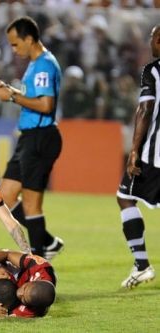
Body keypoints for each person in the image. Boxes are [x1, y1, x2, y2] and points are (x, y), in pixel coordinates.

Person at [0, 16, 63, 259]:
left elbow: (45, 104)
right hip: (29, 138)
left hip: (41, 137)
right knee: (5, 196)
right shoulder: (34, 64)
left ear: (29, 39)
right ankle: (48, 242)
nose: (13, 49)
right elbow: (35, 98)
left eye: (15, 44)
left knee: (31, 206)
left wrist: (11, 97)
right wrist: (10, 90)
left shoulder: (44, 65)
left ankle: (40, 265)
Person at [116, 25, 160, 289]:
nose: (151, 43)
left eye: (153, 38)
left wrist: (133, 151)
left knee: (125, 197)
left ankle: (142, 265)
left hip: (154, 156)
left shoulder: (153, 70)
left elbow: (145, 109)